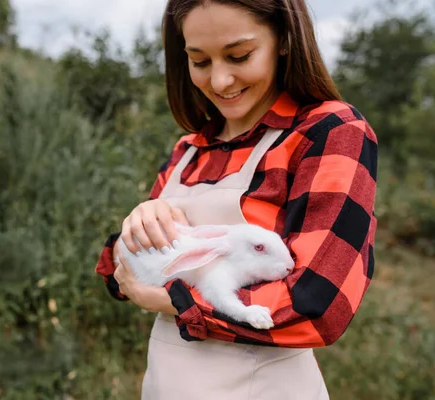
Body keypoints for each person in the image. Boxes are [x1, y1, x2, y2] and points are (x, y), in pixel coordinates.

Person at [95, 0, 378, 398]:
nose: (221, 81)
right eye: (200, 61)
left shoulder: (329, 132)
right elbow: (117, 275)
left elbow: (318, 305)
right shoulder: (190, 150)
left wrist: (167, 298)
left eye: (239, 55)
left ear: (283, 38)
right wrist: (137, 226)